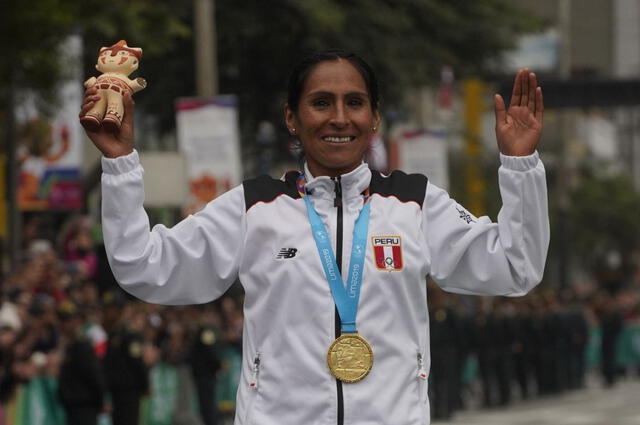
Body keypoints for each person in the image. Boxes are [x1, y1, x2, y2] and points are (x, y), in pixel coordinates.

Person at [80, 49, 549, 425]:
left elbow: (514, 267)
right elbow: (144, 267)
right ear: (293, 118)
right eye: (321, 102)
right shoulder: (253, 206)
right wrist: (121, 165)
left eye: (355, 103)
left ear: (375, 118)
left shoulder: (416, 202)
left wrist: (520, 166)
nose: (339, 118)